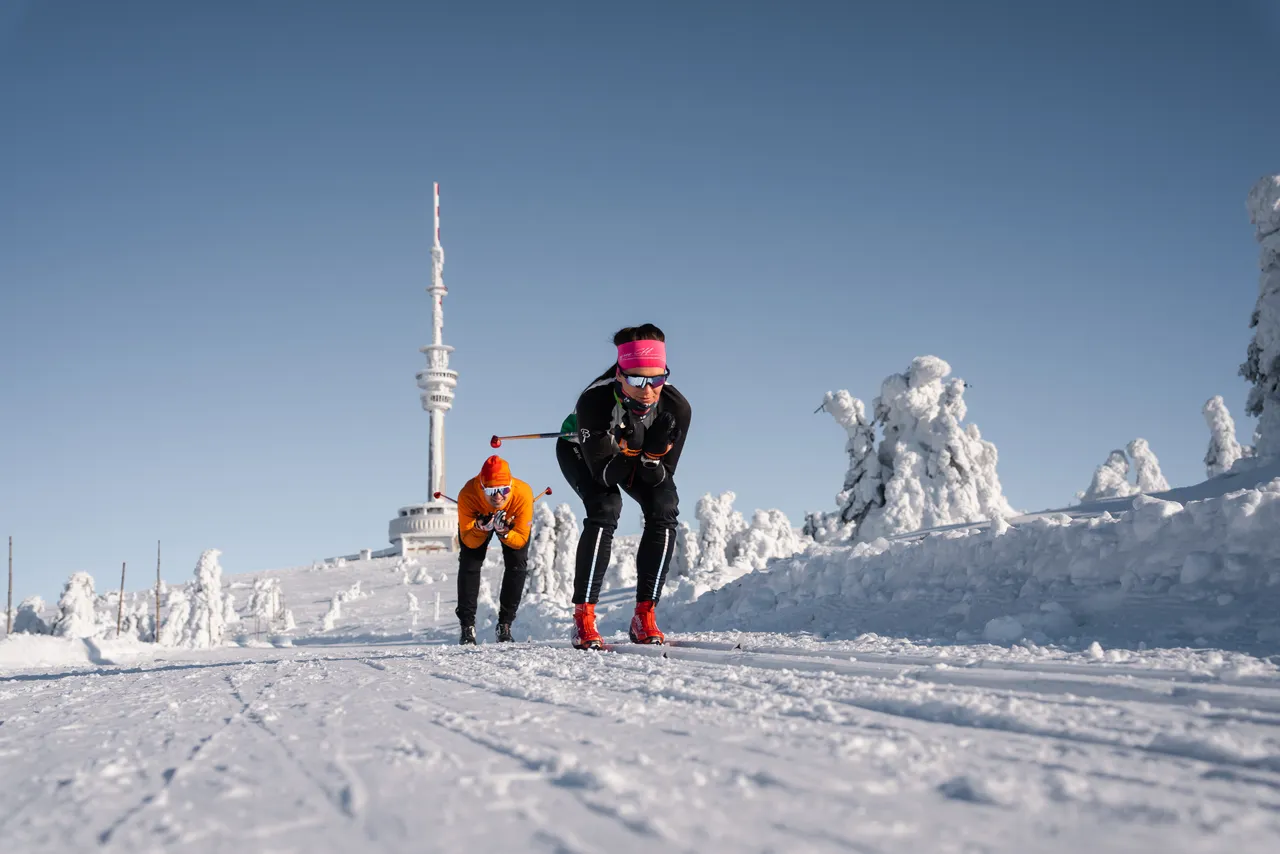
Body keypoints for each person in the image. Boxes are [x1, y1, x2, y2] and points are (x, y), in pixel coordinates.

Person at [556, 324, 692, 648]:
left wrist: (653, 454)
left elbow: (661, 480)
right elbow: (604, 475)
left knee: (664, 507)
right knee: (606, 506)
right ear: (620, 374)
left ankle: (644, 615)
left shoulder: (677, 408)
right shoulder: (594, 401)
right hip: (581, 450)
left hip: (631, 456)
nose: (648, 390)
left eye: (657, 379)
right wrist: (633, 448)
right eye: (636, 379)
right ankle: (583, 618)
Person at [455, 455, 535, 645]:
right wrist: (480, 528)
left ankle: (505, 625)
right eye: (491, 490)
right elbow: (470, 542)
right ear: (482, 487)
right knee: (469, 562)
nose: (498, 496)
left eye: (503, 489)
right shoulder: (467, 494)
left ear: (510, 485)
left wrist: (505, 533)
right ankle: (467, 627)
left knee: (517, 563)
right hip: (478, 521)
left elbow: (520, 540)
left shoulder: (523, 493)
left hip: (510, 521)